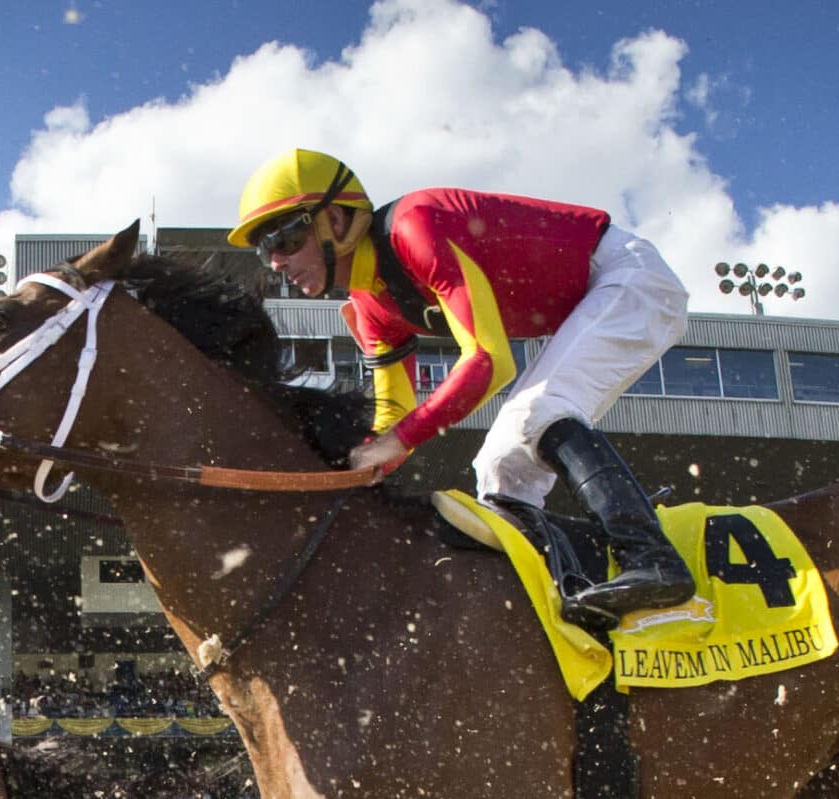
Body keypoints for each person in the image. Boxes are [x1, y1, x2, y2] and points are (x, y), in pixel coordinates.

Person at [228, 149, 694, 629]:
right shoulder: (368, 307)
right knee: (498, 469)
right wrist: (352, 465)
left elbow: (490, 362)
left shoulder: (416, 228)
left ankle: (651, 556)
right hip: (594, 298)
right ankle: (558, 600)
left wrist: (399, 439)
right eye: (266, 251)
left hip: (628, 277)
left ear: (335, 220)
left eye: (285, 238)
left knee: (539, 413)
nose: (278, 262)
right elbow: (392, 418)